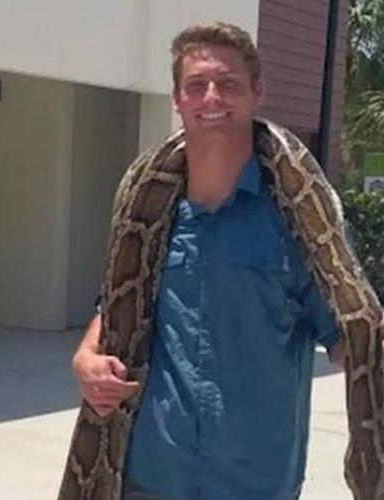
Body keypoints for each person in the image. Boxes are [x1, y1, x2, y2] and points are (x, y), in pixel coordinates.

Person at [67, 22, 382, 500]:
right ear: (178, 99)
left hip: (254, 483)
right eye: (197, 85)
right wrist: (87, 356)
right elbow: (116, 304)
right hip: (151, 477)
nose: (212, 97)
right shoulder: (146, 210)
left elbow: (346, 334)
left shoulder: (301, 222)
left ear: (257, 93)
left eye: (228, 83)